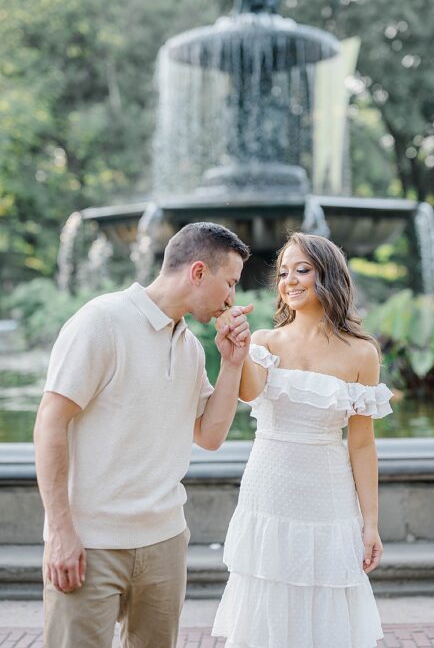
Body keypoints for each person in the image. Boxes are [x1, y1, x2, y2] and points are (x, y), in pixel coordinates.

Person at [33, 222, 253, 648]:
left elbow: (209, 436)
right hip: (90, 542)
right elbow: (50, 422)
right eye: (229, 283)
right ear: (198, 272)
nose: (232, 298)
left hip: (165, 543)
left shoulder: (189, 346)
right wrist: (61, 531)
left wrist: (232, 363)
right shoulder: (101, 321)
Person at [211, 232, 393, 647]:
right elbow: (249, 392)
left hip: (327, 493)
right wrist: (237, 348)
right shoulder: (264, 341)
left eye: (302, 270)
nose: (289, 281)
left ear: (327, 275)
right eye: (283, 273)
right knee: (267, 594)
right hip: (269, 487)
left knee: (326, 603)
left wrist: (370, 524)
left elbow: (362, 444)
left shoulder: (362, 353)